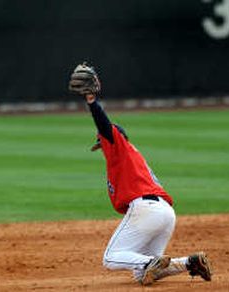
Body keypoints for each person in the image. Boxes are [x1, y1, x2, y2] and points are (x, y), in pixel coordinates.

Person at [68, 63, 212, 285]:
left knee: (111, 258)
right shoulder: (131, 159)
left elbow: (105, 126)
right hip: (165, 214)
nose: (101, 146)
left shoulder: (119, 146)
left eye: (101, 142)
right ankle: (190, 262)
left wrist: (91, 101)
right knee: (142, 275)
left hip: (147, 210)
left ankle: (149, 263)